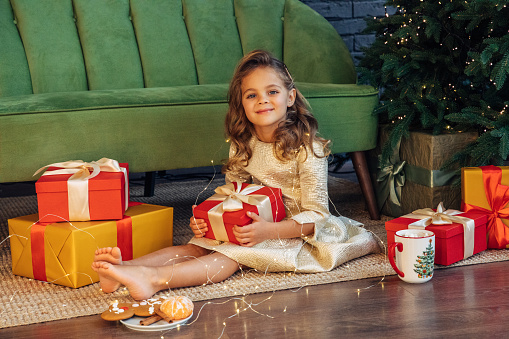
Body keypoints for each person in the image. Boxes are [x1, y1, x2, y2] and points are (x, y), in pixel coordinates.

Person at [92, 50, 378, 300]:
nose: (262, 100)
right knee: (197, 245)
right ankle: (125, 269)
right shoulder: (243, 145)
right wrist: (211, 222)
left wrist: (269, 231)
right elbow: (234, 198)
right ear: (242, 104)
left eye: (272, 92)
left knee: (227, 257)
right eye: (251, 95)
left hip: (295, 233)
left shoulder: (308, 149)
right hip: (253, 226)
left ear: (290, 97)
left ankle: (153, 280)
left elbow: (318, 216)